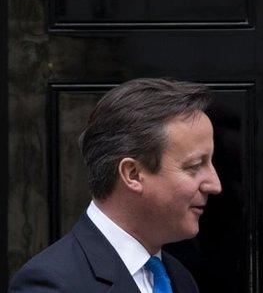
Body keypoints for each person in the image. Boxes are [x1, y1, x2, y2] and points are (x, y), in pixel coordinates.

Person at [9, 78, 222, 293]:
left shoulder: (179, 278)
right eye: (194, 166)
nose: (215, 185)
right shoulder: (51, 283)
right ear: (132, 174)